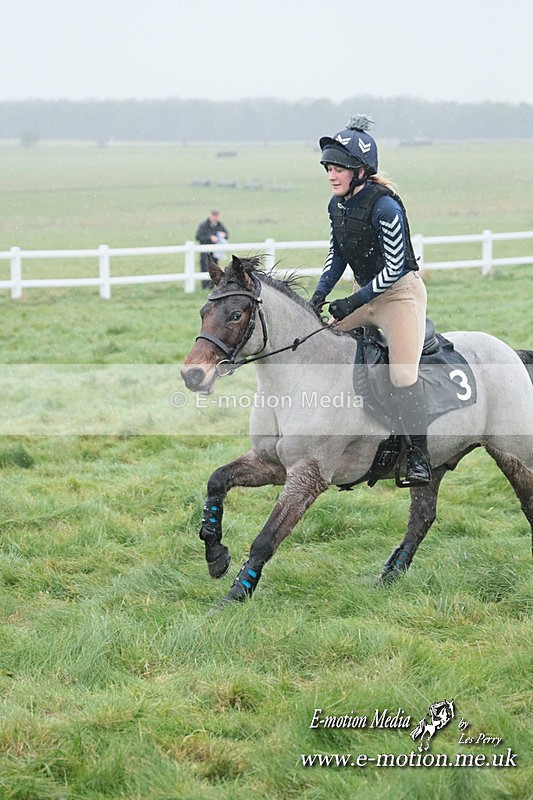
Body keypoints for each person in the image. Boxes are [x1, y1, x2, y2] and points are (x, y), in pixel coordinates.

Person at [310, 115, 431, 485]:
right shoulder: (338, 206)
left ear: (361, 171)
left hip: (400, 297)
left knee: (402, 374)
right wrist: (317, 296)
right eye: (329, 168)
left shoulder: (385, 207)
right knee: (320, 342)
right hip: (366, 294)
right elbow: (337, 255)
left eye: (339, 168)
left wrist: (353, 301)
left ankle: (419, 458)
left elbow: (395, 268)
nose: (332, 175)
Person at [195, 210, 229, 289]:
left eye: (216, 216)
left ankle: (212, 286)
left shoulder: (219, 225)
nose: (215, 218)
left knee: (215, 268)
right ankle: (205, 286)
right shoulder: (204, 225)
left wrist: (224, 235)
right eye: (214, 216)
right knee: (205, 267)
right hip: (205, 252)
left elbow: (226, 234)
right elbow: (198, 236)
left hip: (215, 253)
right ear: (210, 216)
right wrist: (210, 238)